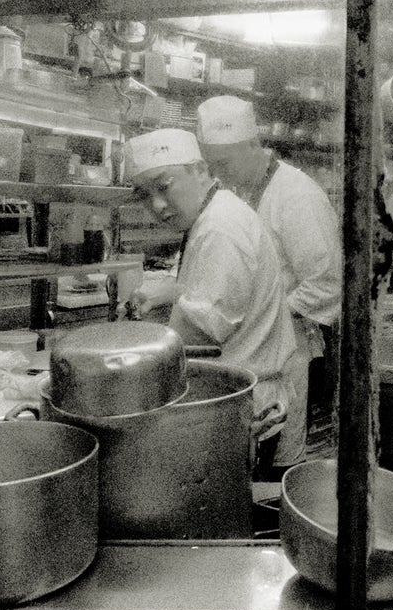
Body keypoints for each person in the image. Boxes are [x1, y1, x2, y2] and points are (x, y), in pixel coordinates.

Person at [124, 127, 309, 470]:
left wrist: (124, 362)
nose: (157, 205)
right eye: (143, 194)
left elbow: (197, 336)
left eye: (164, 186)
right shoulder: (213, 214)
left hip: (236, 416)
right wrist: (173, 292)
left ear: (200, 169)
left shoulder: (220, 228)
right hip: (231, 408)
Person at [196, 95, 342, 445]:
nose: (217, 173)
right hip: (247, 358)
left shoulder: (295, 196)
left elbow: (327, 283)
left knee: (280, 455)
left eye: (223, 162)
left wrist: (265, 316)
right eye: (210, 165)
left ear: (253, 145)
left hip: (287, 354)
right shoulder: (241, 191)